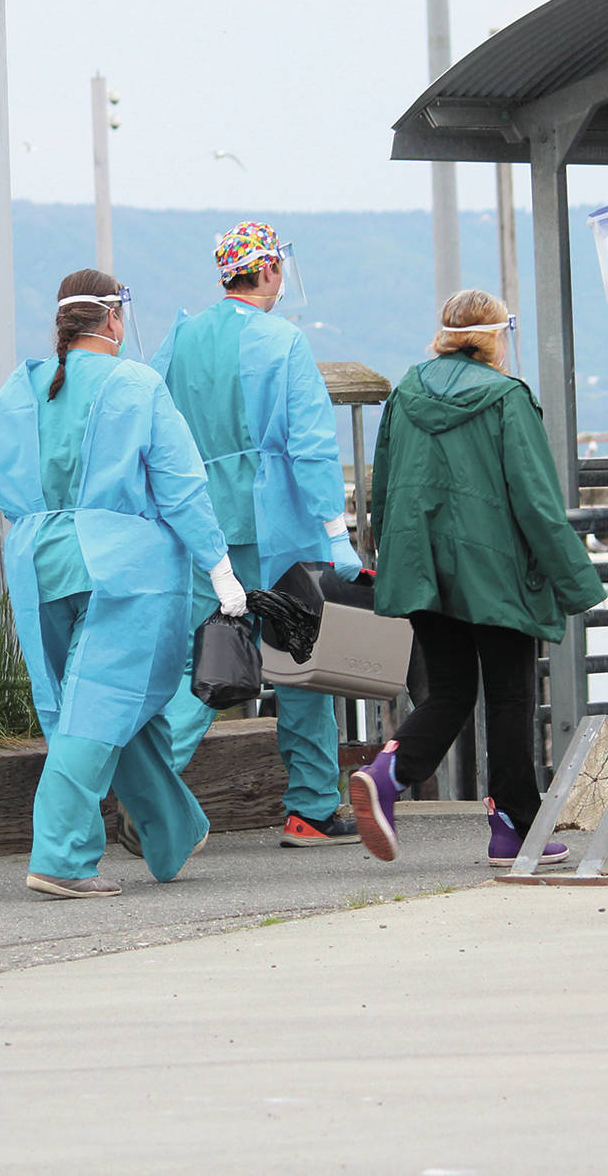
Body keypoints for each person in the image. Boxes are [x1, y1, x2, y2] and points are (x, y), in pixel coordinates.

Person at [0, 270, 236, 898]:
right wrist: (220, 568)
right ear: (114, 319)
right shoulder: (137, 383)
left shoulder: (18, 388)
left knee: (97, 705)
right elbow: (181, 486)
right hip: (125, 566)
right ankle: (60, 856)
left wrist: (37, 509)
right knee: (98, 708)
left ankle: (172, 828)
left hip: (39, 560)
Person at [348, 289, 604, 867]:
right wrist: (576, 582)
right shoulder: (507, 398)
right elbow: (536, 501)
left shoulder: (407, 391)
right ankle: (511, 826)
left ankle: (389, 772)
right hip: (496, 572)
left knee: (451, 691)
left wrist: (389, 553)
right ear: (497, 336)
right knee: (511, 697)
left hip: (422, 569)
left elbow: (380, 486)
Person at [152, 221, 365, 849]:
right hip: (282, 527)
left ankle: (150, 788)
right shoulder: (285, 341)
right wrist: (336, 531)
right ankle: (311, 809)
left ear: (226, 274)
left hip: (203, 526)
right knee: (301, 661)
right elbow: (312, 446)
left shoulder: (180, 337)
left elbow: (156, 426)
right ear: (271, 270)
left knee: (206, 660)